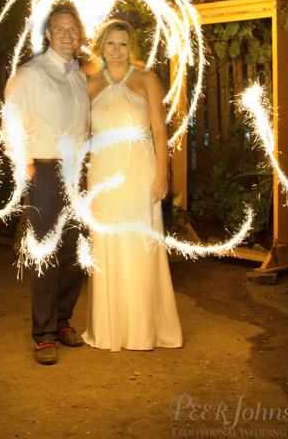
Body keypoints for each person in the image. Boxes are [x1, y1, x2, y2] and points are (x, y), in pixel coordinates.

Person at [82, 19, 183, 351]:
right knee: (107, 246)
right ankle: (109, 330)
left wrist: (163, 175)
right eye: (111, 43)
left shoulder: (147, 80)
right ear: (101, 47)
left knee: (140, 247)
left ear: (132, 47)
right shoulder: (89, 85)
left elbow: (159, 131)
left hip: (140, 172)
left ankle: (144, 330)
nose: (116, 51)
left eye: (123, 44)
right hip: (103, 175)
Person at [3, 3, 90, 365]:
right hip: (45, 171)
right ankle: (43, 334)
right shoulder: (31, 73)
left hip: (78, 171)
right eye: (61, 29)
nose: (67, 35)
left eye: (73, 29)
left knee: (74, 251)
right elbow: (11, 119)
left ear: (80, 35)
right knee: (45, 253)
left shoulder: (78, 74)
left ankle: (63, 318)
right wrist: (25, 165)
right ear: (49, 35)